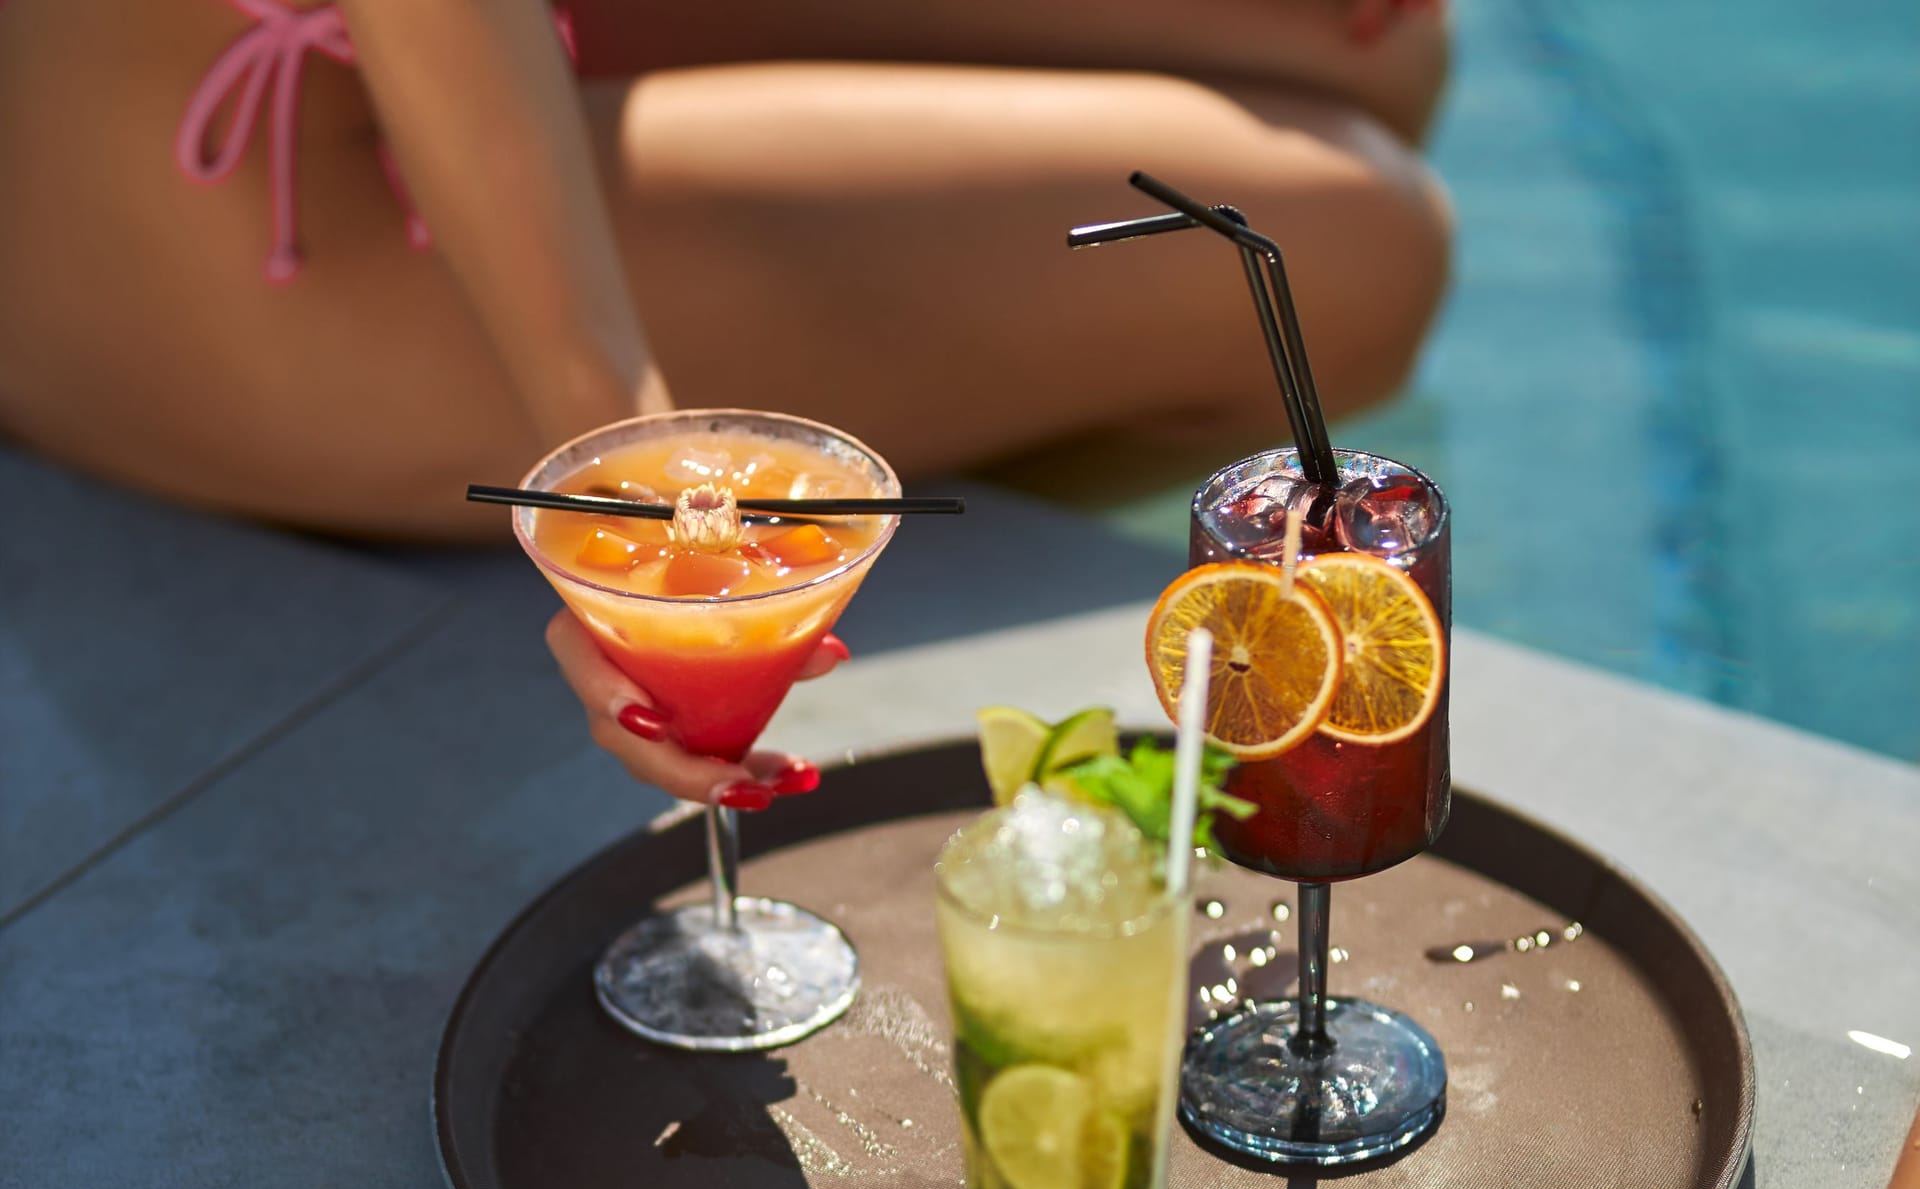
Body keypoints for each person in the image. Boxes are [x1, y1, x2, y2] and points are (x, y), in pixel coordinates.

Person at [0, 0, 1453, 803]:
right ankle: (815, 507)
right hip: (210, 203)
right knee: (1353, 248)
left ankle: (873, 449)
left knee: (1373, 41)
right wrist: (624, 469)